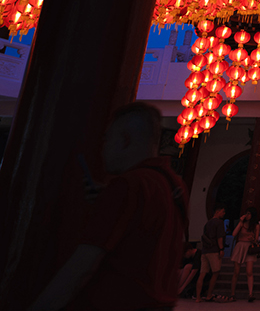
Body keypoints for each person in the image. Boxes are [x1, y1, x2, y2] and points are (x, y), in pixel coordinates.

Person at [30, 102, 189, 311]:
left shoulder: (128, 185)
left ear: (124, 140)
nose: (103, 146)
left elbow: (82, 266)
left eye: (107, 138)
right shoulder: (174, 184)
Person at [196, 205, 229, 302]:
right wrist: (221, 249)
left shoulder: (207, 223)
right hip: (214, 250)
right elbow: (220, 238)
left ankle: (198, 297)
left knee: (202, 273)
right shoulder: (219, 223)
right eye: (223, 211)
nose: (224, 213)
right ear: (217, 212)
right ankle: (209, 294)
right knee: (216, 272)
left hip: (205, 250)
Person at [229, 208, 260, 301]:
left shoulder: (256, 226)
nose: (247, 215)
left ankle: (250, 294)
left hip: (249, 247)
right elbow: (234, 234)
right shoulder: (242, 224)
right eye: (246, 213)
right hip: (240, 246)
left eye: (249, 214)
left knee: (249, 271)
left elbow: (257, 239)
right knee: (236, 271)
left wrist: (253, 239)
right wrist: (240, 222)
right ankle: (232, 293)